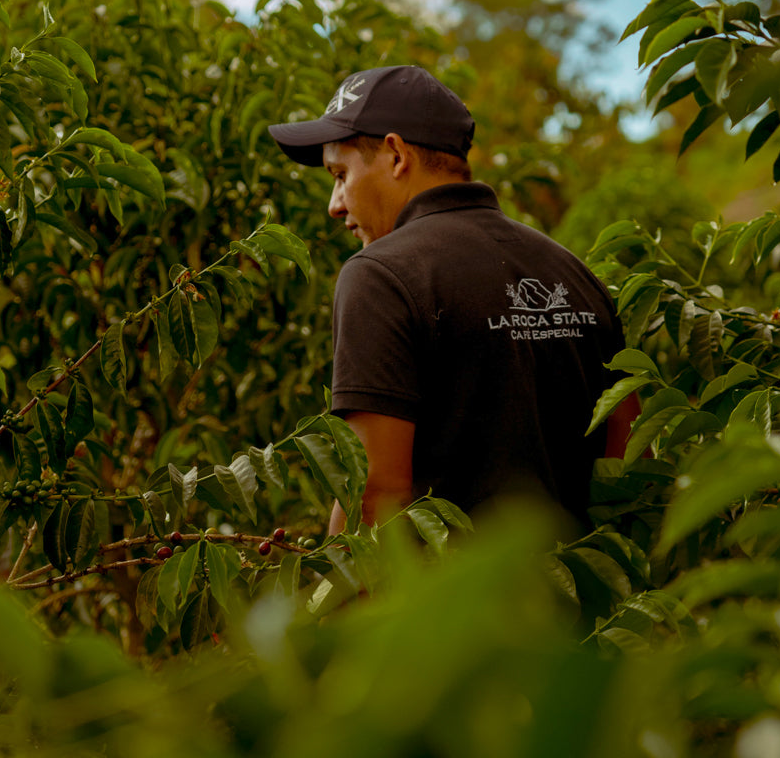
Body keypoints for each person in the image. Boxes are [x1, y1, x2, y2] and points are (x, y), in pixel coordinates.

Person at [268, 65, 632, 534]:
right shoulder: (574, 273)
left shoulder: (379, 276)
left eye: (340, 174)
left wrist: (330, 598)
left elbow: (377, 493)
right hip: (583, 597)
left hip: (448, 605)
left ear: (397, 155)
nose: (335, 204)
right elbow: (627, 463)